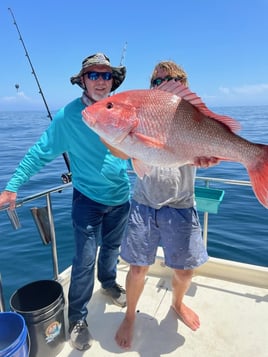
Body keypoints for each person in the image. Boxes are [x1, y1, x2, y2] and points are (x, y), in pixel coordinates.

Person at [0, 52, 131, 351]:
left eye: (106, 75)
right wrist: (12, 186)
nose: (100, 80)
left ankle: (109, 282)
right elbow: (40, 152)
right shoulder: (68, 117)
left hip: (122, 196)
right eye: (94, 75)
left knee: (112, 249)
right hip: (87, 200)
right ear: (83, 80)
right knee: (84, 261)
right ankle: (78, 318)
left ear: (113, 80)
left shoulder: (125, 109)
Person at [115, 61, 219, 349]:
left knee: (186, 271)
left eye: (172, 80)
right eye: (158, 82)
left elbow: (210, 148)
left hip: (181, 204)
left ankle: (177, 303)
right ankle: (130, 316)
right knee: (137, 269)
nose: (164, 85)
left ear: (183, 85)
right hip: (144, 203)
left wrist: (209, 157)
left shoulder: (194, 116)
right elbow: (123, 148)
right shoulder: (140, 115)